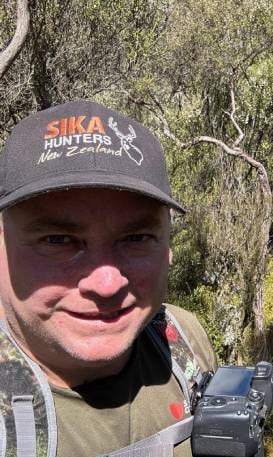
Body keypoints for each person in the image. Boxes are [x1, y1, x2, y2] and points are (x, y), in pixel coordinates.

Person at [0, 100, 217, 457]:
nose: (106, 284)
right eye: (58, 240)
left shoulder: (183, 343)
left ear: (168, 249)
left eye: (135, 239)